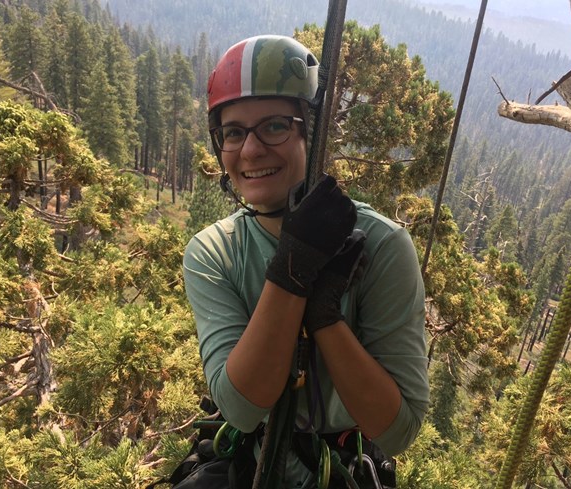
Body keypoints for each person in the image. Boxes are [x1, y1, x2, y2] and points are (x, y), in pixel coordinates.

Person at [182, 34, 429, 488]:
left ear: (309, 133)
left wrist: (325, 321)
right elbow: (241, 407)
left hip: (339, 467)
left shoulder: (381, 245)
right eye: (233, 133)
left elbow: (396, 431)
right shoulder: (213, 252)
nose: (251, 150)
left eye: (274, 126)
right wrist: (292, 275)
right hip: (249, 462)